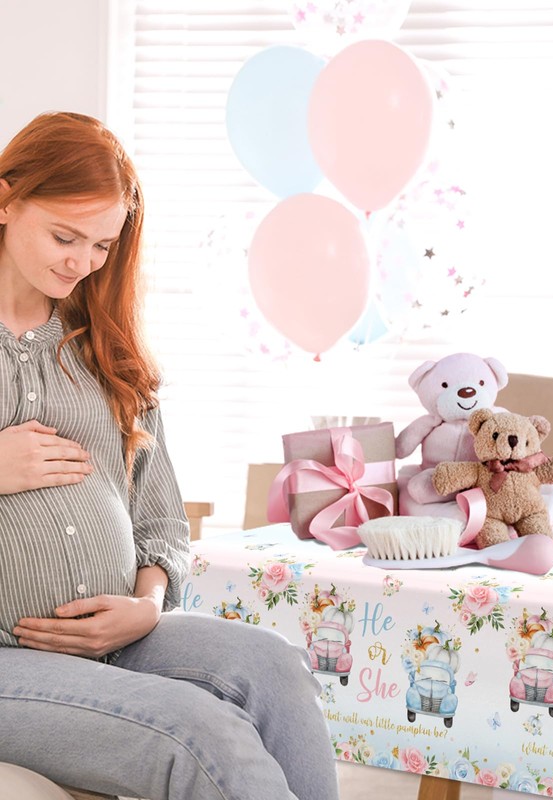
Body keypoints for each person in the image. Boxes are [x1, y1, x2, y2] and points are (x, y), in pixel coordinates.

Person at [0, 111, 339, 800]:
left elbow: (160, 519)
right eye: (64, 236)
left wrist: (149, 604)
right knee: (200, 734)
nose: (81, 262)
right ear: (6, 200)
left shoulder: (102, 343)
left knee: (276, 669)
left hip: (123, 630)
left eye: (101, 244)